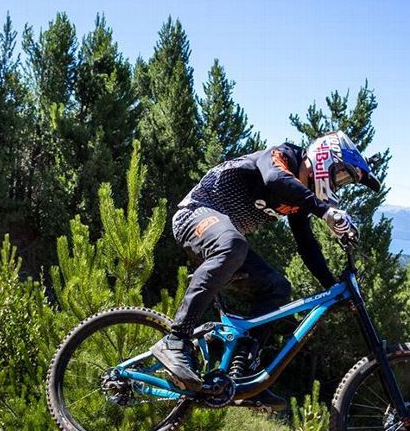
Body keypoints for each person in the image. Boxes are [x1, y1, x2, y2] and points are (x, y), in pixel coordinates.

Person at [150, 131, 381, 394]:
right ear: (325, 158)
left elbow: (307, 245)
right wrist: (325, 211)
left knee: (278, 288)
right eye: (340, 176)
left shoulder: (299, 200)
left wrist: (333, 287)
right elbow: (274, 179)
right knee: (233, 246)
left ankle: (241, 373)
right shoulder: (281, 157)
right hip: (194, 215)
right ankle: (175, 339)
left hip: (225, 240)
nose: (337, 185)